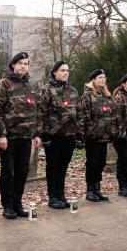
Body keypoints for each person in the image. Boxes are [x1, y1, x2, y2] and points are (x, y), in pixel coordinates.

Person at [0, 52, 41, 219]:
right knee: (8, 171)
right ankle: (8, 206)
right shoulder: (3, 84)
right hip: (9, 137)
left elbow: (36, 111)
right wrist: (1, 135)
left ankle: (17, 203)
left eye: (26, 63)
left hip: (26, 137)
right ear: (13, 65)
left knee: (23, 171)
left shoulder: (31, 85)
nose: (23, 66)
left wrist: (36, 133)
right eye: (20, 63)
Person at [37, 59, 81, 209]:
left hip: (69, 135)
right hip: (53, 136)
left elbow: (78, 114)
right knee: (53, 167)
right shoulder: (46, 90)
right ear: (55, 72)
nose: (65, 73)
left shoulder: (73, 91)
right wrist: (44, 135)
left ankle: (61, 194)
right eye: (62, 70)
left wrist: (79, 134)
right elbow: (41, 113)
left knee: (63, 167)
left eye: (67, 71)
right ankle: (53, 197)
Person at [78, 69, 113, 202]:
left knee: (101, 162)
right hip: (92, 136)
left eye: (104, 78)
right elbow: (84, 116)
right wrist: (88, 133)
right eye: (100, 78)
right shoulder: (87, 96)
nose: (103, 80)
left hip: (104, 136)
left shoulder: (106, 96)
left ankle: (97, 188)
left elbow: (110, 116)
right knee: (92, 162)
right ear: (93, 80)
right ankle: (90, 190)